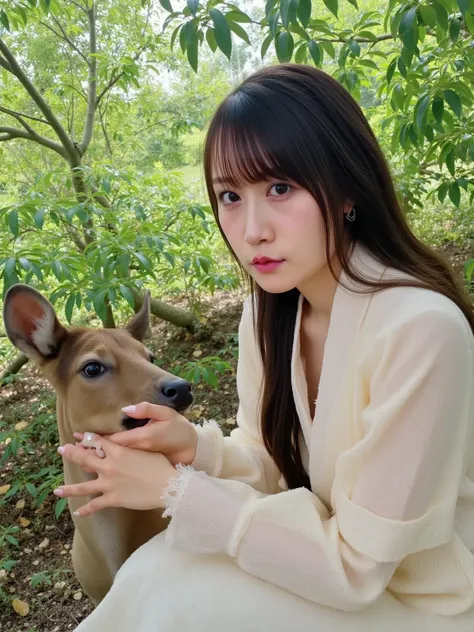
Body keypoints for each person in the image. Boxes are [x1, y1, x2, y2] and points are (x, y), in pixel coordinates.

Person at [56, 64, 474, 631]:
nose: (252, 229)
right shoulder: (271, 310)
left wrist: (175, 490)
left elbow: (359, 567)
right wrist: (191, 449)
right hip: (328, 566)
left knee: (167, 595)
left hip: (422, 602)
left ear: (347, 185)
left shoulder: (422, 330)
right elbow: (276, 469)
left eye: (279, 187)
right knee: (157, 569)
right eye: (230, 195)